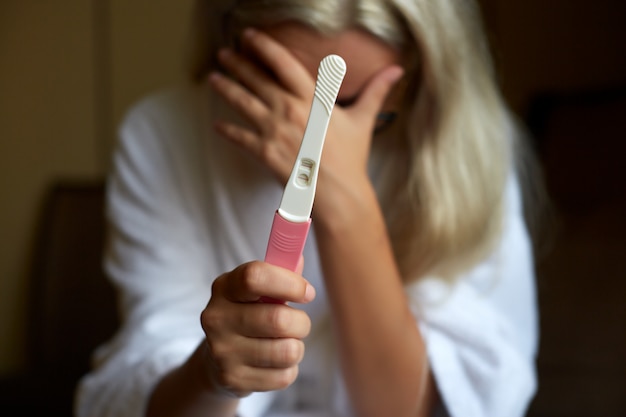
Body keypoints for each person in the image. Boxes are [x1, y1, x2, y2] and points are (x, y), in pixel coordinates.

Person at [76, 0, 540, 416]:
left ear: (416, 68)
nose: (309, 126)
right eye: (280, 85)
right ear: (230, 35)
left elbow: (403, 410)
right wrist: (209, 374)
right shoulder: (160, 136)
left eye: (347, 103)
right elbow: (157, 383)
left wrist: (342, 198)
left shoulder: (468, 149)